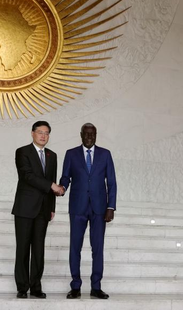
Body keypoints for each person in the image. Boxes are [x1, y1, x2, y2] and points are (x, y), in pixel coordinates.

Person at [60, 123, 117, 300]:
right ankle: (75, 286)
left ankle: (96, 286)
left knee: (97, 248)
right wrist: (62, 187)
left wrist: (110, 206)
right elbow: (65, 176)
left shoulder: (105, 154)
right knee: (75, 247)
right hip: (78, 207)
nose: (90, 137)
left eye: (93, 134)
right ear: (81, 135)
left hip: (100, 208)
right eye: (87, 134)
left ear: (96, 135)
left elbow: (112, 182)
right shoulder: (71, 154)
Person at [12, 121, 65, 299]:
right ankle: (22, 287)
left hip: (43, 210)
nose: (43, 135)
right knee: (23, 249)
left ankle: (36, 286)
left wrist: (52, 207)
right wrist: (52, 185)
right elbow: (27, 176)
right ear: (32, 133)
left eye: (47, 133)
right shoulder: (22, 152)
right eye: (40, 132)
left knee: (39, 250)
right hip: (25, 208)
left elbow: (53, 180)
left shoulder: (52, 155)